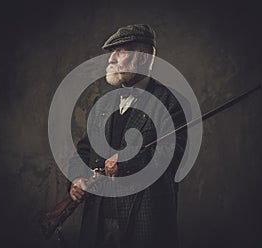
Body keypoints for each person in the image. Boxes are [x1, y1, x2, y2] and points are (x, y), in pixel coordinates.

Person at [68, 24, 187, 248]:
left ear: (142, 58)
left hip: (145, 223)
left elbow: (170, 156)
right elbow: (84, 151)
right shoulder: (101, 103)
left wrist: (125, 162)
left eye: (120, 51)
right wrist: (74, 179)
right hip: (98, 220)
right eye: (110, 53)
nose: (111, 59)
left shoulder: (170, 102)